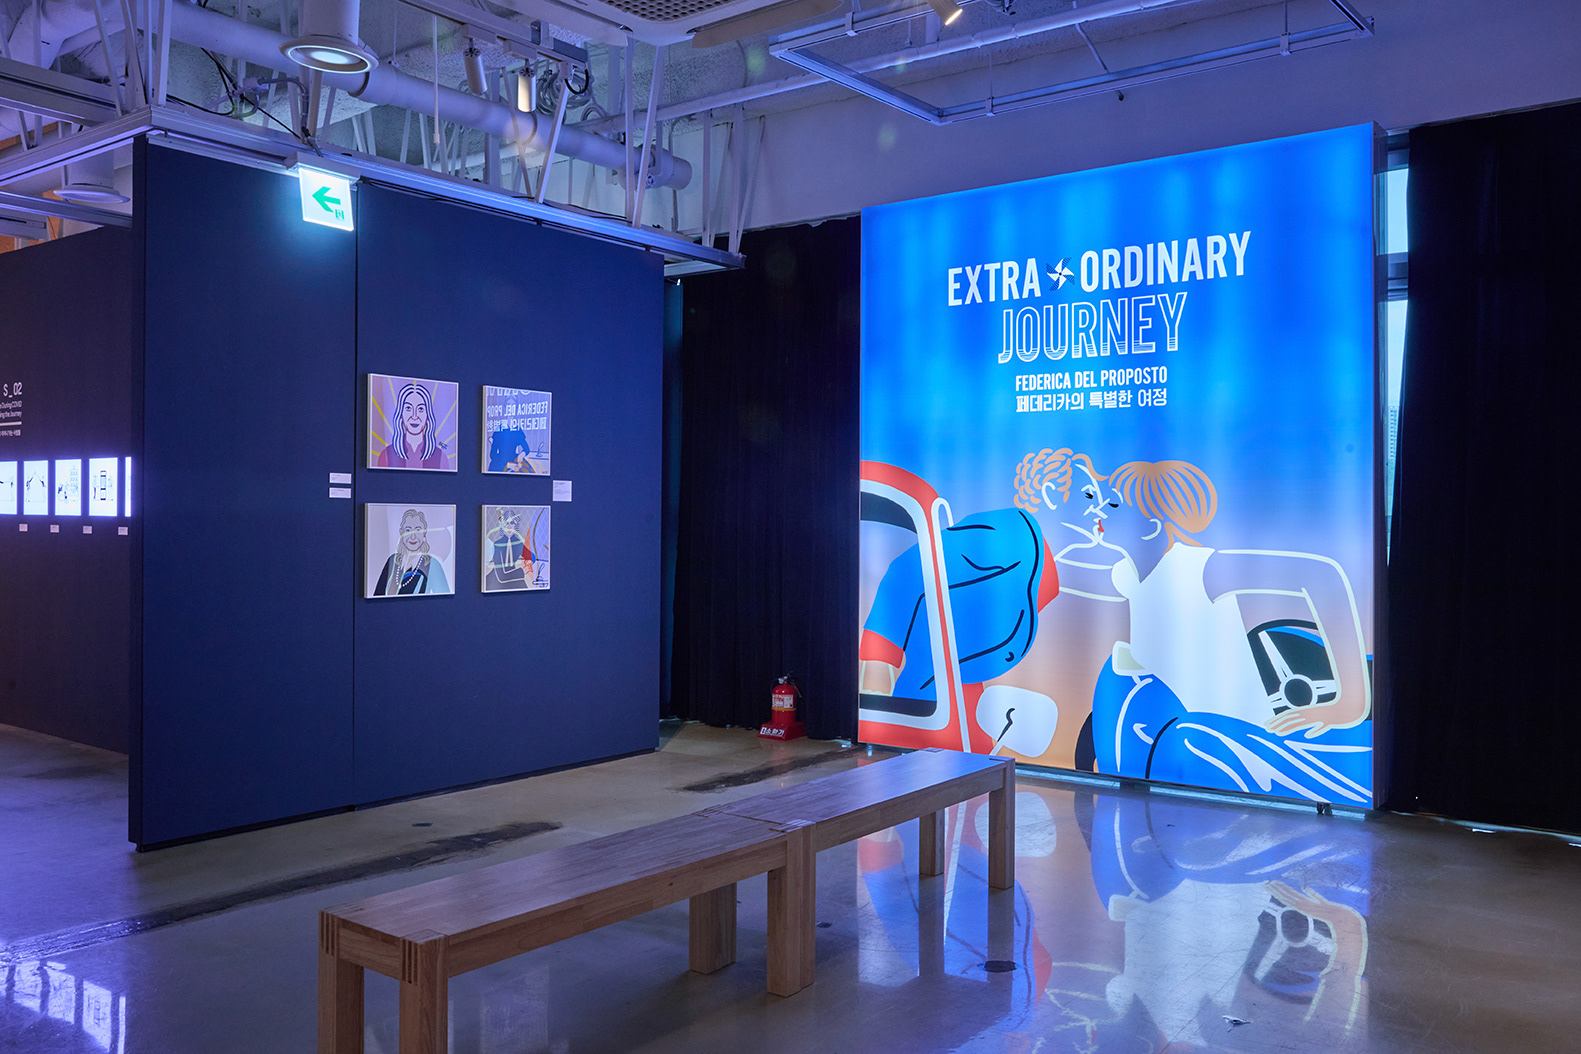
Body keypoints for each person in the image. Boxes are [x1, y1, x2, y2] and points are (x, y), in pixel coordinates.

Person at [1080, 459, 1373, 803]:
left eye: (1114, 505)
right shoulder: (1127, 571)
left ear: (1153, 526)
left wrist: (1351, 701)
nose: (1098, 510)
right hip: (1165, 726)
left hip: (1228, 737)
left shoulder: (1202, 567)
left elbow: (1322, 575)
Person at [375, 508, 449, 595]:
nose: (413, 536)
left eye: (418, 530)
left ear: (424, 533)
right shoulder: (393, 560)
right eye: (408, 530)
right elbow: (377, 595)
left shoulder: (432, 564)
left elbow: (445, 599)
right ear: (401, 532)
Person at [378, 382, 449, 469]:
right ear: (401, 414)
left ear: (428, 415)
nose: (414, 416)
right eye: (408, 408)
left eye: (420, 409)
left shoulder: (441, 457)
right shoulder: (386, 455)